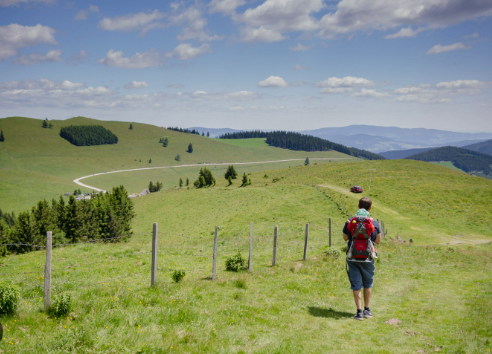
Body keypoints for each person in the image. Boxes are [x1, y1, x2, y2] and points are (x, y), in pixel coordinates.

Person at [342, 197, 382, 321]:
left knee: (356, 285)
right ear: (370, 208)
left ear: (358, 206)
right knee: (368, 283)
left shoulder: (350, 221)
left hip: (352, 257)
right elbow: (378, 241)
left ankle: (359, 312)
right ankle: (367, 310)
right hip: (368, 258)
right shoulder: (374, 223)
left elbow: (345, 238)